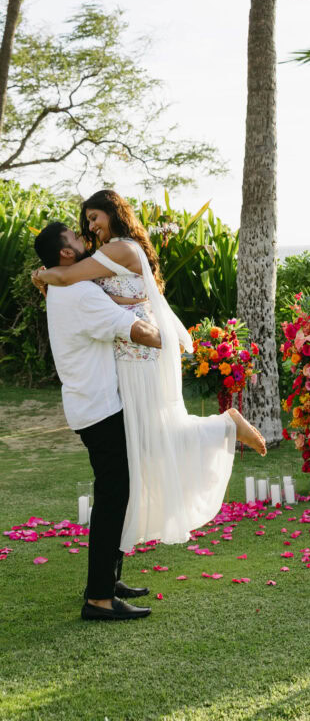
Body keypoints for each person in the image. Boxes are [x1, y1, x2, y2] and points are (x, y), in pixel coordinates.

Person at [32, 192, 267, 597]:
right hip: (123, 372)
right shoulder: (94, 266)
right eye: (81, 226)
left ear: (112, 211)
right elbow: (113, 297)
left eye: (93, 218)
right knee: (141, 460)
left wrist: (45, 275)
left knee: (150, 448)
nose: (88, 228)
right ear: (65, 251)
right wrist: (50, 274)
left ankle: (104, 588)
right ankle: (106, 585)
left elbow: (79, 283)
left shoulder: (114, 251)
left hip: (135, 363)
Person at [34, 221, 161, 621]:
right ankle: (100, 598)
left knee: (117, 494)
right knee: (112, 498)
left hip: (93, 404)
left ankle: (108, 579)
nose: (83, 238)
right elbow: (133, 330)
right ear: (66, 254)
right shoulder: (79, 293)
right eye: (75, 237)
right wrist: (178, 343)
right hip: (99, 407)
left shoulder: (66, 286)